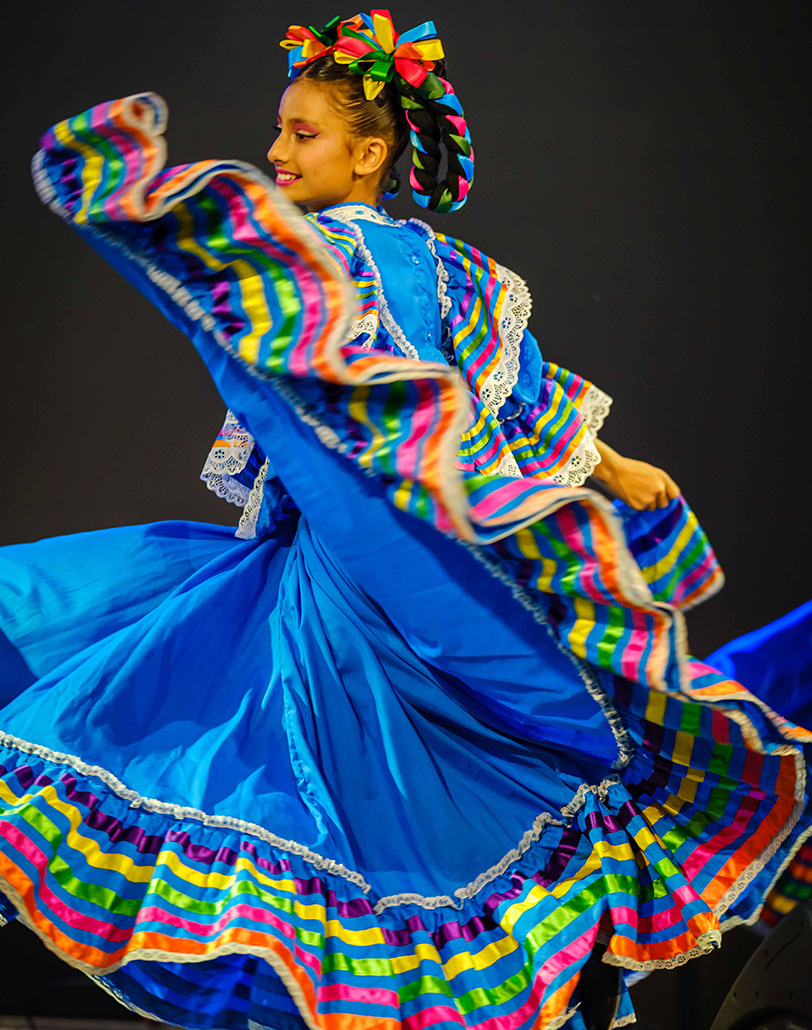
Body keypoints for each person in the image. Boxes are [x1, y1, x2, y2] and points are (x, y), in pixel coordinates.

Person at [0, 11, 809, 1030]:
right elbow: (465, 396)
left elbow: (503, 392)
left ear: (371, 150)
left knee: (307, 786)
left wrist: (611, 462)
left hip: (363, 586)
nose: (276, 150)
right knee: (355, 805)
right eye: (281, 130)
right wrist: (609, 462)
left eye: (301, 132)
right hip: (346, 571)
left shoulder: (363, 265)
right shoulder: (427, 272)